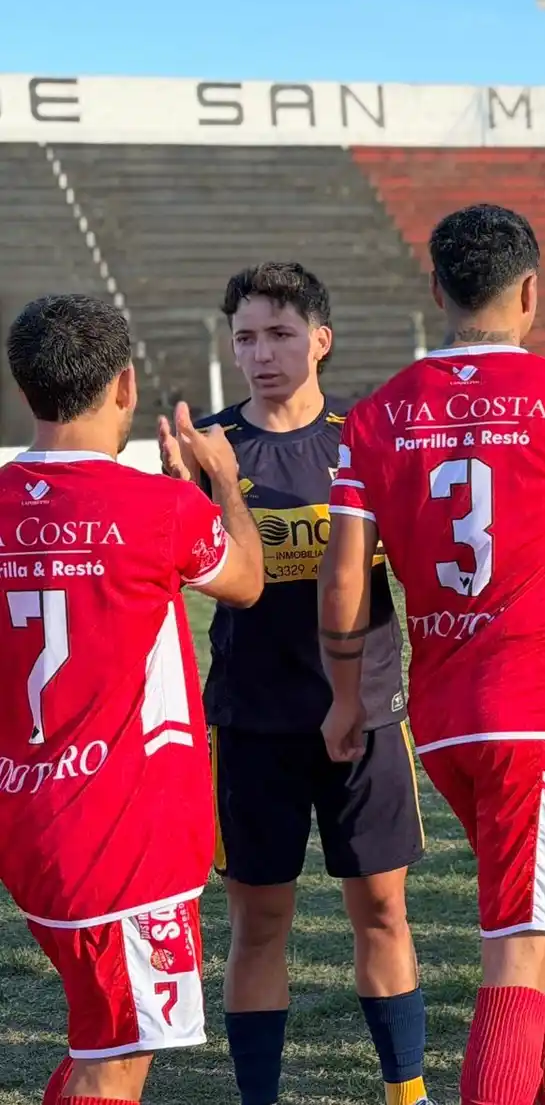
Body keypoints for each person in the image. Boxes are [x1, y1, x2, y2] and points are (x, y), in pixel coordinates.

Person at [319, 204, 545, 1105]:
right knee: (526, 941)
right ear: (534, 293)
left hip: (445, 712)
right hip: (541, 703)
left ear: (437, 290)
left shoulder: (377, 415)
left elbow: (344, 581)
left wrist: (347, 697)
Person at [157, 263, 430, 1105]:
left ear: (321, 338)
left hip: (369, 716)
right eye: (245, 337)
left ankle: (407, 1092)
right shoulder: (206, 448)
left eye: (279, 334)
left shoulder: (367, 439)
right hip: (250, 723)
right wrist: (184, 491)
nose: (261, 354)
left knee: (382, 914)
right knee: (257, 925)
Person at [0, 293, 263, 1104]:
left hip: (31, 821)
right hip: (125, 840)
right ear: (123, 386)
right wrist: (220, 483)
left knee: (100, 1041)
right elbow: (246, 580)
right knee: (119, 1057)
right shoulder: (161, 507)